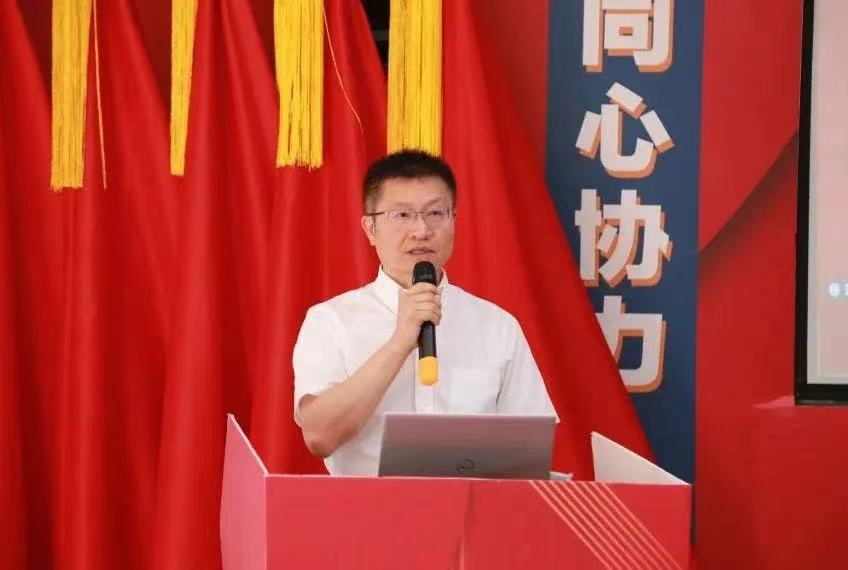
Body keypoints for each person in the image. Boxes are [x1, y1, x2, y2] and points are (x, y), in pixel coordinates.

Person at [293, 150, 556, 475]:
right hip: (367, 506)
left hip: (470, 505)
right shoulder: (331, 321)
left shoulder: (497, 325)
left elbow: (528, 449)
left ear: (454, 220)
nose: (421, 230)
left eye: (435, 213)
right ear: (370, 228)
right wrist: (399, 342)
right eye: (402, 215)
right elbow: (319, 436)